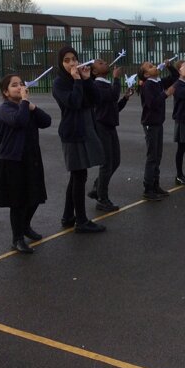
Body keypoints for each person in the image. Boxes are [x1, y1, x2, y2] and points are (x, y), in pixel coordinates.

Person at [0, 74, 52, 253]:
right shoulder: (5, 109)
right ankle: (17, 238)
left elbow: (46, 121)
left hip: (31, 157)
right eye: (14, 85)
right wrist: (25, 102)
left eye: (21, 84)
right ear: (6, 92)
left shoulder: (26, 107)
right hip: (13, 159)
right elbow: (19, 121)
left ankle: (26, 225)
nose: (19, 87)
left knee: (35, 196)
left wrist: (33, 106)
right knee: (17, 201)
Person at [52, 46, 106, 233]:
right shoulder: (59, 83)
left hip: (86, 129)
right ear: (61, 63)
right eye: (66, 60)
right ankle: (81, 221)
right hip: (72, 132)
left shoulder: (81, 79)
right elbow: (74, 102)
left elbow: (97, 98)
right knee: (78, 176)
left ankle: (68, 216)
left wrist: (86, 79)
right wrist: (77, 80)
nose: (72, 63)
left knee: (77, 175)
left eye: (74, 59)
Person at [87, 59, 134, 212]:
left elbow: (114, 107)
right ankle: (102, 199)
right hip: (101, 127)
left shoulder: (106, 85)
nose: (105, 63)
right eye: (100, 63)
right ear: (94, 72)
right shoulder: (96, 85)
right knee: (107, 163)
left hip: (110, 127)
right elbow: (113, 96)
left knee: (116, 161)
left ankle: (98, 186)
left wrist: (125, 99)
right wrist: (116, 78)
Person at [138, 59, 179, 200]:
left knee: (158, 155)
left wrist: (169, 66)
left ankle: (155, 184)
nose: (155, 66)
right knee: (152, 156)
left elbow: (175, 77)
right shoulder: (148, 85)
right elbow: (152, 103)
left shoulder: (157, 82)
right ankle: (148, 188)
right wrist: (166, 94)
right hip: (150, 124)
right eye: (150, 66)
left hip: (158, 123)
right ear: (146, 74)